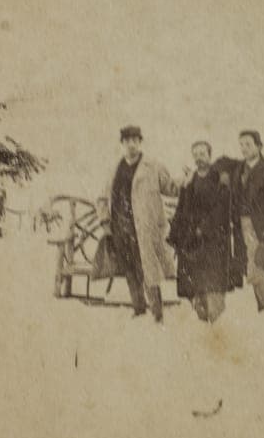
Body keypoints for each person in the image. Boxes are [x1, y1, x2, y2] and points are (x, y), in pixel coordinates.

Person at [96, 126, 181, 322]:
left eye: (135, 140)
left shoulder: (153, 166)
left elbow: (171, 188)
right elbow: (101, 198)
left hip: (144, 228)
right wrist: (104, 221)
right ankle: (138, 308)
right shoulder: (114, 169)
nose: (131, 145)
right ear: (122, 144)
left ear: (140, 142)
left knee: (149, 269)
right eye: (127, 141)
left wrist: (187, 180)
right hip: (121, 229)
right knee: (129, 269)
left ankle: (157, 313)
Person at [215, 130, 264, 312]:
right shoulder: (238, 169)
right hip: (242, 227)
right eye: (241, 144)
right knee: (254, 269)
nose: (243, 148)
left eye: (248, 144)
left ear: (259, 146)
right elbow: (221, 161)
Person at [167, 141, 239, 323]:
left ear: (209, 155)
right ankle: (201, 320)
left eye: (203, 153)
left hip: (214, 239)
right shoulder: (190, 180)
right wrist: (176, 234)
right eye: (196, 154)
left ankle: (216, 323)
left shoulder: (219, 177)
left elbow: (222, 207)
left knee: (213, 284)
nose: (199, 157)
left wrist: (204, 228)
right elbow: (182, 208)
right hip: (192, 239)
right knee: (193, 285)